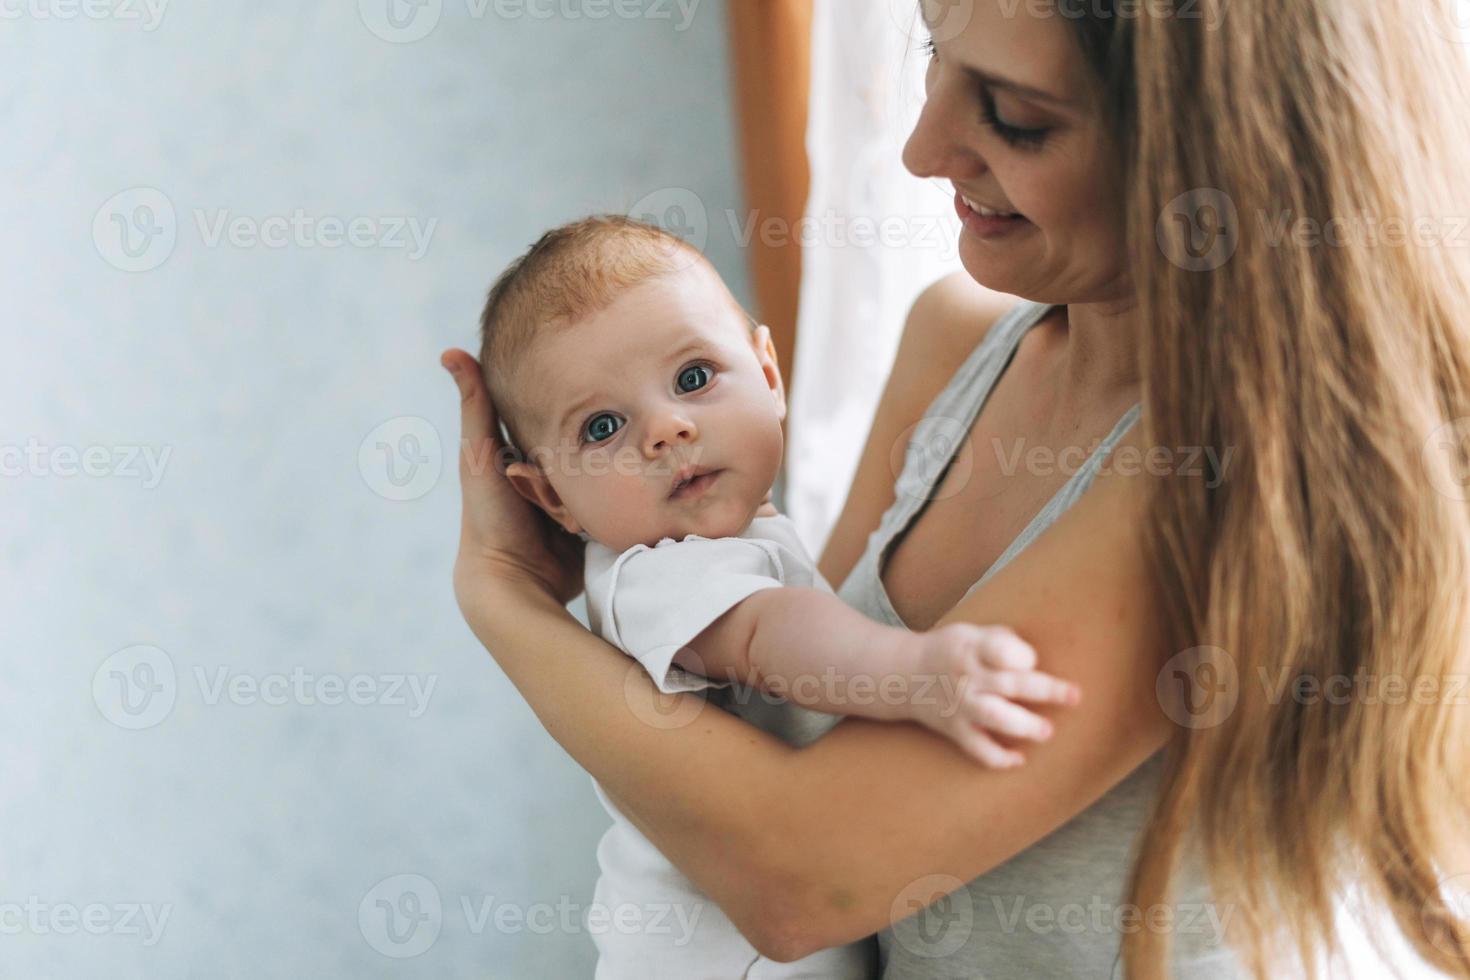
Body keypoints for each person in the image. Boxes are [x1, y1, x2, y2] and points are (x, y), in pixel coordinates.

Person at [440, 1, 1470, 976]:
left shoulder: (1225, 473)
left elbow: (796, 875)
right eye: (935, 56)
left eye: (1017, 119)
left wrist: (500, 597)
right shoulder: (956, 338)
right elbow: (796, 686)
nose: (921, 151)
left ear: (1210, 158)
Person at [474, 213, 1081, 978]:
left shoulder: (739, 540)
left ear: (769, 374)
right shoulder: (655, 574)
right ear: (551, 499)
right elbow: (771, 635)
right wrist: (916, 672)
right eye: (601, 426)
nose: (665, 429)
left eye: (694, 378)